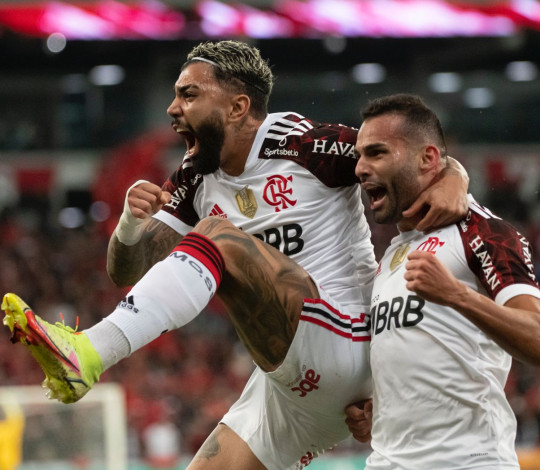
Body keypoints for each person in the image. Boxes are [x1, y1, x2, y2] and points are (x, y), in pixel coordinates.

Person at [3, 42, 468, 470]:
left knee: (219, 237)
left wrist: (454, 174)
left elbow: (406, 158)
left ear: (238, 106)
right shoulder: (194, 178)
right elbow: (126, 271)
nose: (172, 109)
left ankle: (90, 352)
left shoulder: (309, 146)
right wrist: (128, 223)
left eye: (188, 95)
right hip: (285, 384)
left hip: (347, 340)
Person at [346, 93, 540, 469]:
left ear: (428, 158)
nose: (360, 168)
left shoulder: (484, 232)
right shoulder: (390, 257)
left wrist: (456, 296)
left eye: (377, 153)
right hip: (387, 460)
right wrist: (380, 411)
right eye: (359, 156)